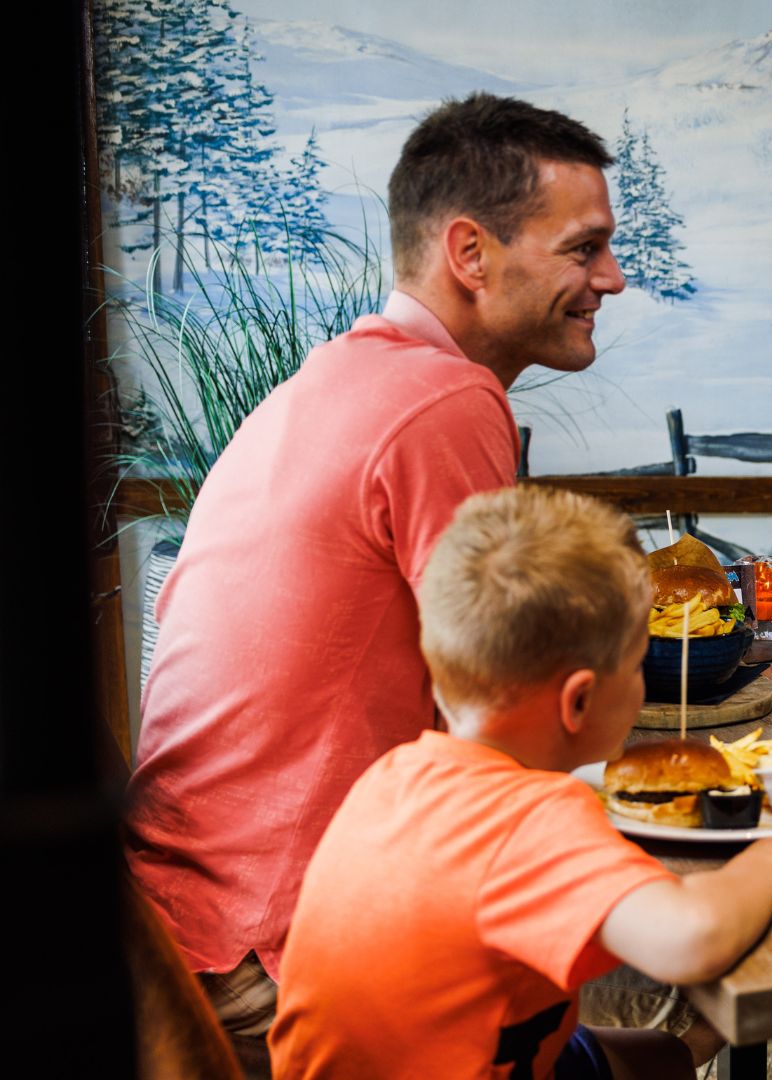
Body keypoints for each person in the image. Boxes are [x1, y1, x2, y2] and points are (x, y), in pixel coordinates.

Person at [123, 92, 631, 1048]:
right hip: (276, 954)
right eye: (583, 248)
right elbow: (511, 729)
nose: (612, 278)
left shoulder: (333, 378)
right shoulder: (446, 401)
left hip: (181, 926)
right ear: (470, 255)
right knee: (660, 971)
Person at [267, 485, 772, 1078]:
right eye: (637, 662)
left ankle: (698, 1042)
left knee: (650, 1056)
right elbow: (691, 939)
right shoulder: (527, 817)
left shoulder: (393, 775)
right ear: (579, 701)